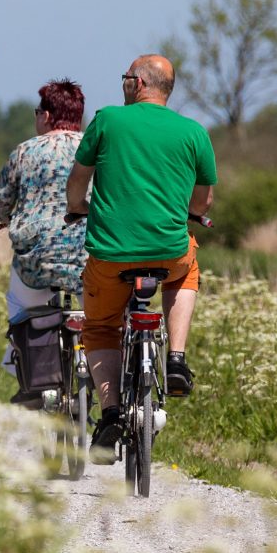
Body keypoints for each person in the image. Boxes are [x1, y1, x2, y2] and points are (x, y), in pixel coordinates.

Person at [66, 54, 217, 464]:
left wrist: (78, 206)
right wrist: (190, 214)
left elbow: (77, 182)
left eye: (124, 78)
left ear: (137, 83)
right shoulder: (194, 132)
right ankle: (177, 360)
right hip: (169, 254)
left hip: (111, 257)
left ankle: (112, 411)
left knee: (99, 327)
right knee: (187, 273)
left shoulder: (108, 120)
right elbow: (203, 201)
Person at [0, 78, 89, 405]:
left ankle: (31, 379)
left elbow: (0, 200)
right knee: (102, 320)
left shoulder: (25, 151)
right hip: (90, 258)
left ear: (45, 115)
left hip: (36, 261)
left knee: (20, 308)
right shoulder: (96, 149)